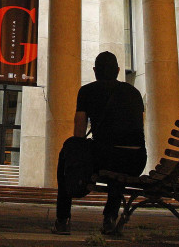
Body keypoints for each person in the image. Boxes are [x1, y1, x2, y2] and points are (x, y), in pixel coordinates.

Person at [52, 51, 147, 235]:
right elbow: (137, 128)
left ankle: (62, 219)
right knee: (118, 160)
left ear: (95, 71)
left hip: (107, 157)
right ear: (119, 70)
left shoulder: (87, 91)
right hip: (136, 160)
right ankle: (109, 218)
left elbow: (79, 135)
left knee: (67, 150)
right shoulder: (134, 93)